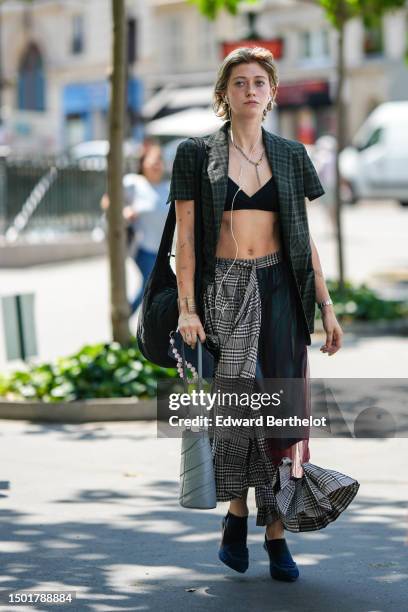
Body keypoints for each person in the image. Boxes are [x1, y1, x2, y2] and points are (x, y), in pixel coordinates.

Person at [167, 47, 360, 582]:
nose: (250, 90)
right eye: (239, 82)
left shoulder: (292, 155)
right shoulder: (195, 153)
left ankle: (270, 531)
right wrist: (187, 308)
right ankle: (238, 514)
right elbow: (185, 238)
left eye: (259, 82)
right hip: (223, 291)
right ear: (224, 94)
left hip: (281, 291)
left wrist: (327, 308)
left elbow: (305, 242)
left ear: (273, 93)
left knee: (279, 415)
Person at [101, 143, 170, 315]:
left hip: (163, 251)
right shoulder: (134, 183)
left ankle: (147, 327)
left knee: (160, 289)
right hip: (141, 247)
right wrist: (124, 211)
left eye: (160, 160)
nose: (157, 164)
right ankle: (126, 315)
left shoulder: (168, 188)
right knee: (150, 284)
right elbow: (107, 201)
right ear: (143, 163)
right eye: (153, 160)